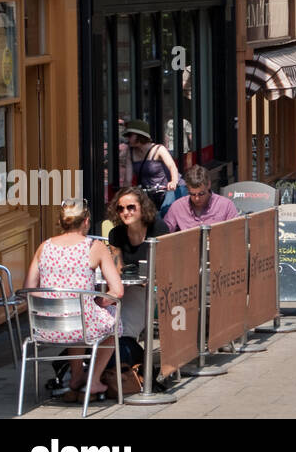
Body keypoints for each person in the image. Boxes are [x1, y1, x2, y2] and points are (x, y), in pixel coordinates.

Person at [25, 199, 123, 402]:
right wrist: (101, 303)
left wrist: (53, 304)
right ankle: (94, 380)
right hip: (81, 323)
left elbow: (29, 289)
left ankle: (77, 376)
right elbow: (118, 291)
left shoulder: (44, 247)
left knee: (76, 316)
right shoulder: (94, 246)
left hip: (46, 327)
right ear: (86, 221)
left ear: (61, 222)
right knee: (113, 322)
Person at [107, 188, 168, 362]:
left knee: (123, 325)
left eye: (131, 207)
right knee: (107, 320)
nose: (126, 212)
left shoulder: (158, 228)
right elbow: (117, 269)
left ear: (143, 207)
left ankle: (124, 357)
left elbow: (164, 267)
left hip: (153, 289)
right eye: (121, 208)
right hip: (126, 289)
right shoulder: (116, 234)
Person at [123, 119, 179, 215]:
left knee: (167, 211)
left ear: (139, 135)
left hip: (166, 191)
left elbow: (172, 167)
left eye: (130, 135)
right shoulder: (130, 152)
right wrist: (126, 193)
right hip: (148, 194)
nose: (127, 139)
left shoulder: (159, 149)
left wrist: (173, 182)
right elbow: (128, 178)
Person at [164, 166, 239, 231]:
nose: (197, 198)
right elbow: (164, 233)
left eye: (201, 194)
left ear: (209, 185)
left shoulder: (226, 205)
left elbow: (236, 232)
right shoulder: (177, 207)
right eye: (192, 194)